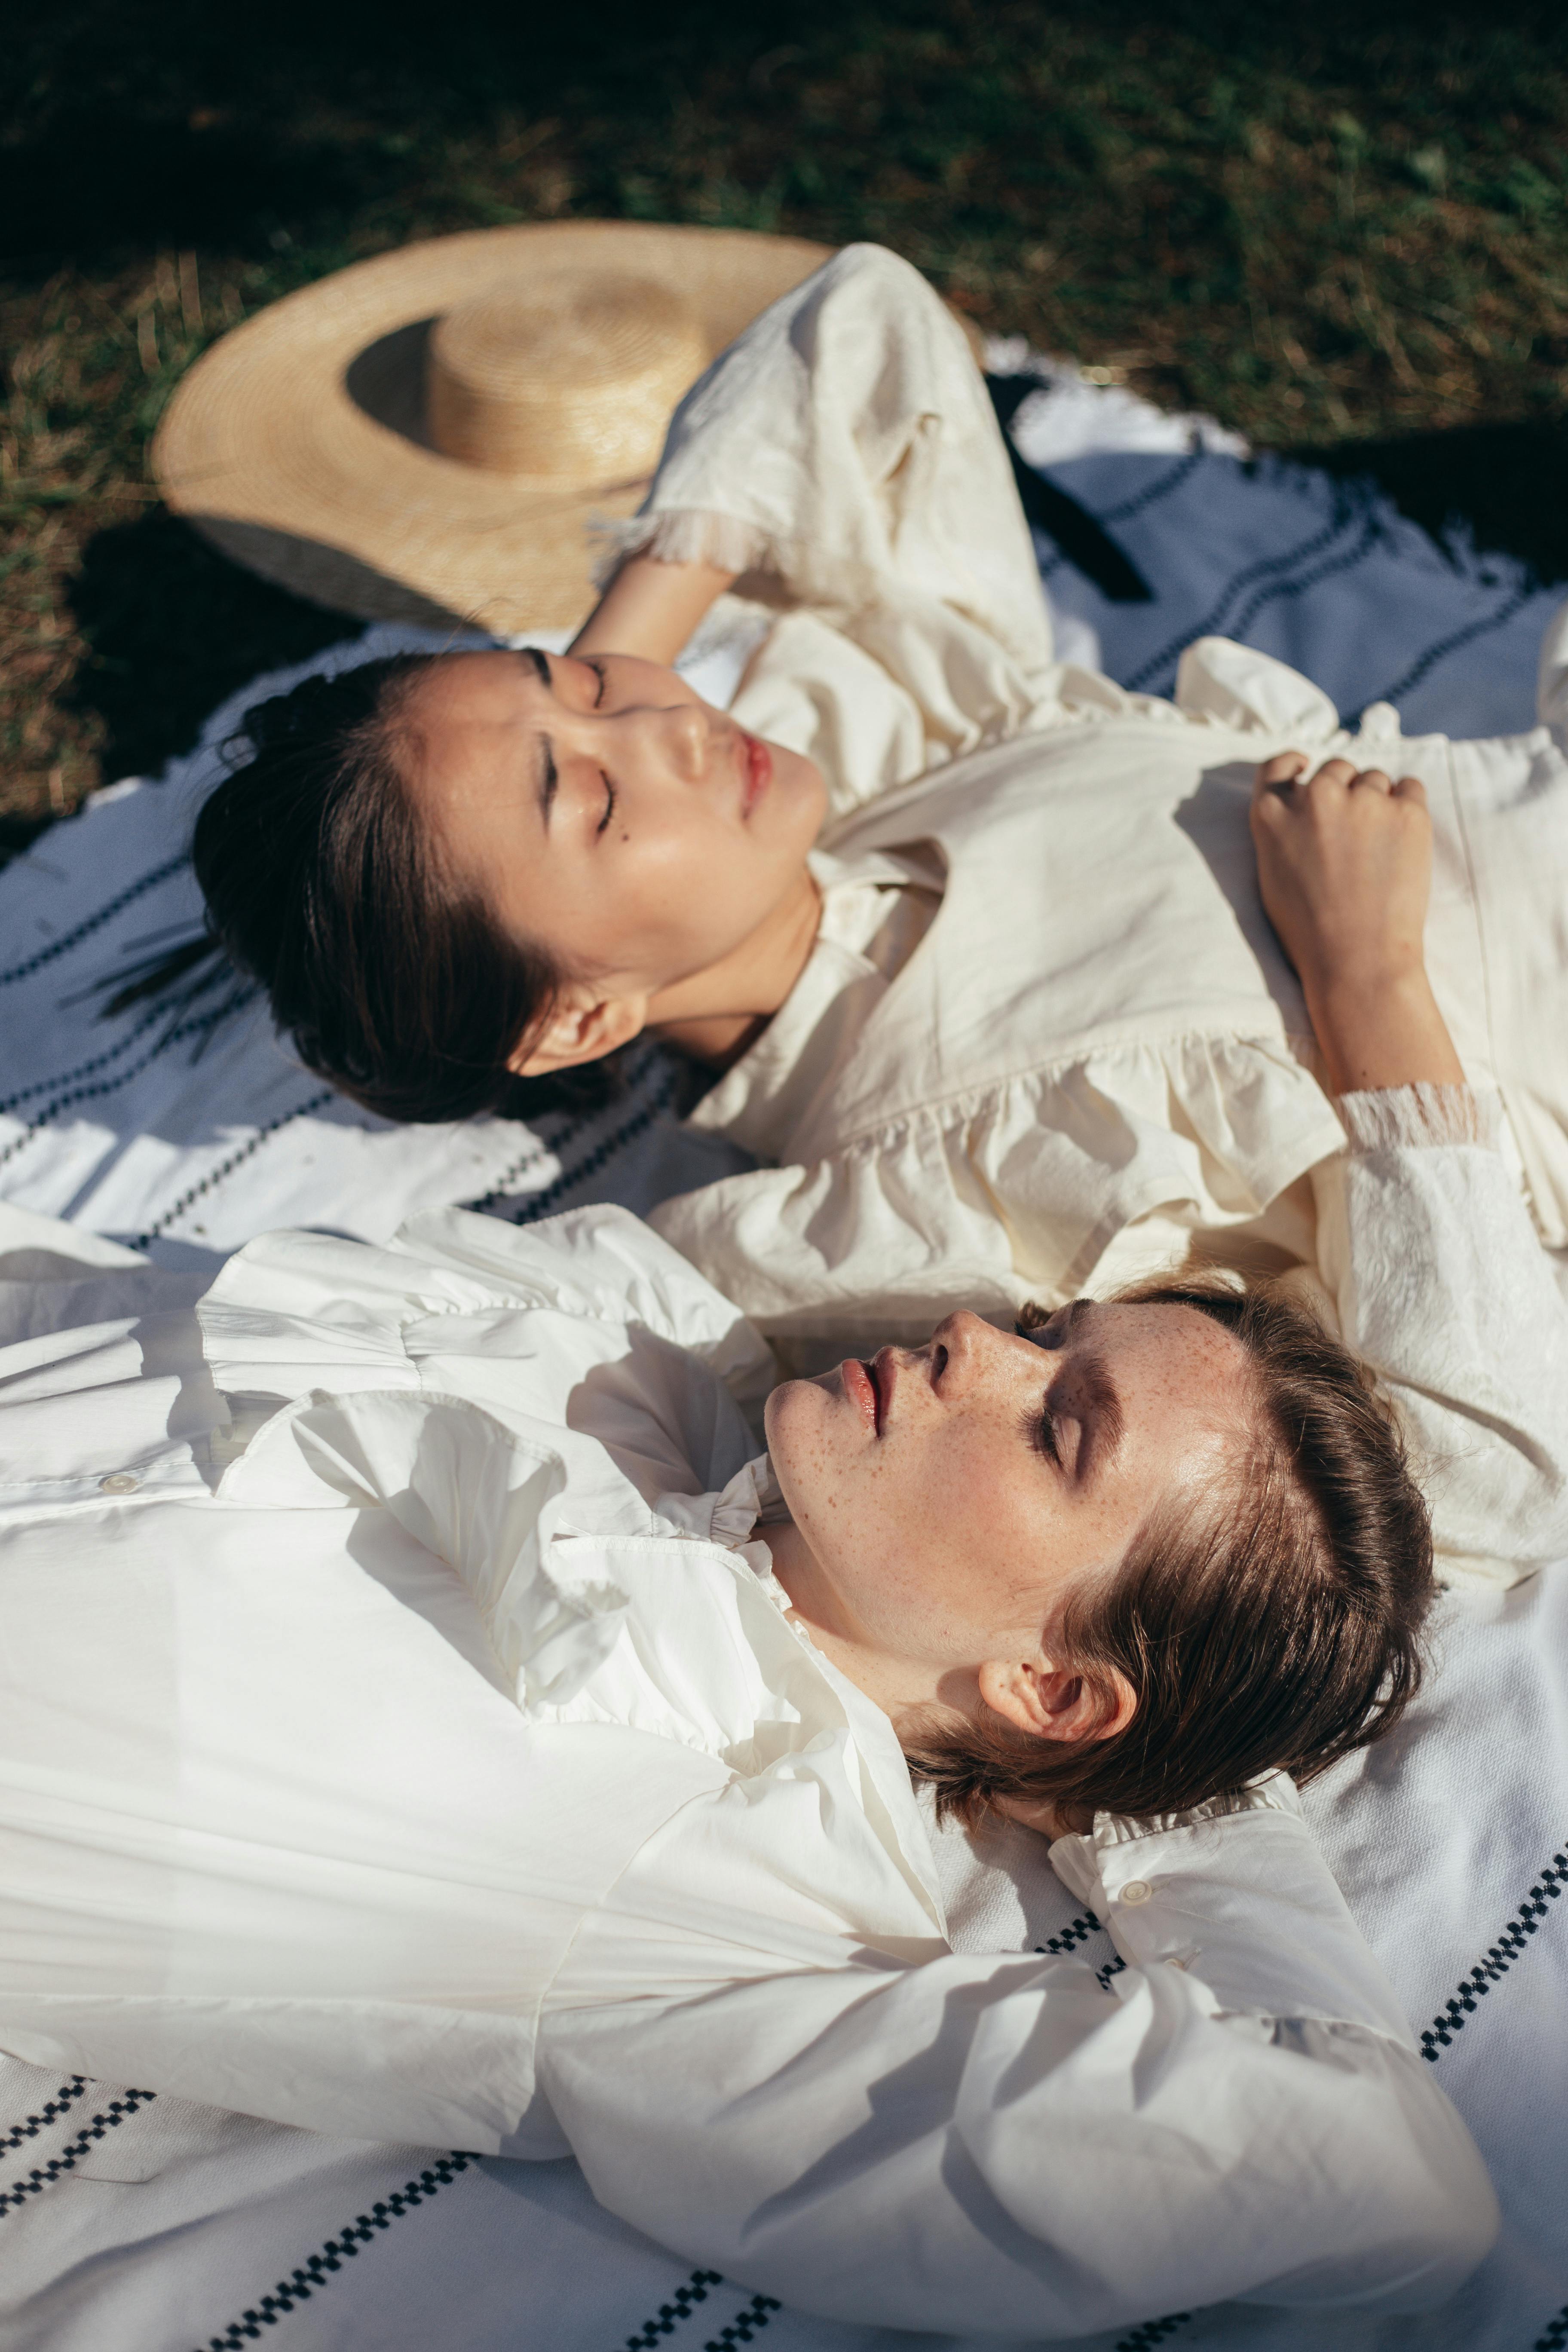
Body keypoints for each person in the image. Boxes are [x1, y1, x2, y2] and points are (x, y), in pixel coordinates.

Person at [3, 817, 1564, 2332]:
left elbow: (1375, 2180)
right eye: (1045, 1332)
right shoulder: (632, 1339)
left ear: (1055, 1686)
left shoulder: (733, 1902)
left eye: (1058, 1428)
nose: (977, 1343)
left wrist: (1170, 1801)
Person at [180, 248, 1568, 1442]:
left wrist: (604, 675)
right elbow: (1491, 1459)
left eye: (591, 683)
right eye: (592, 806)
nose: (670, 723)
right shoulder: (882, 1216)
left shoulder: (904, 744)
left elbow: (862, 316)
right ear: (580, 1012)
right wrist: (1369, 982)